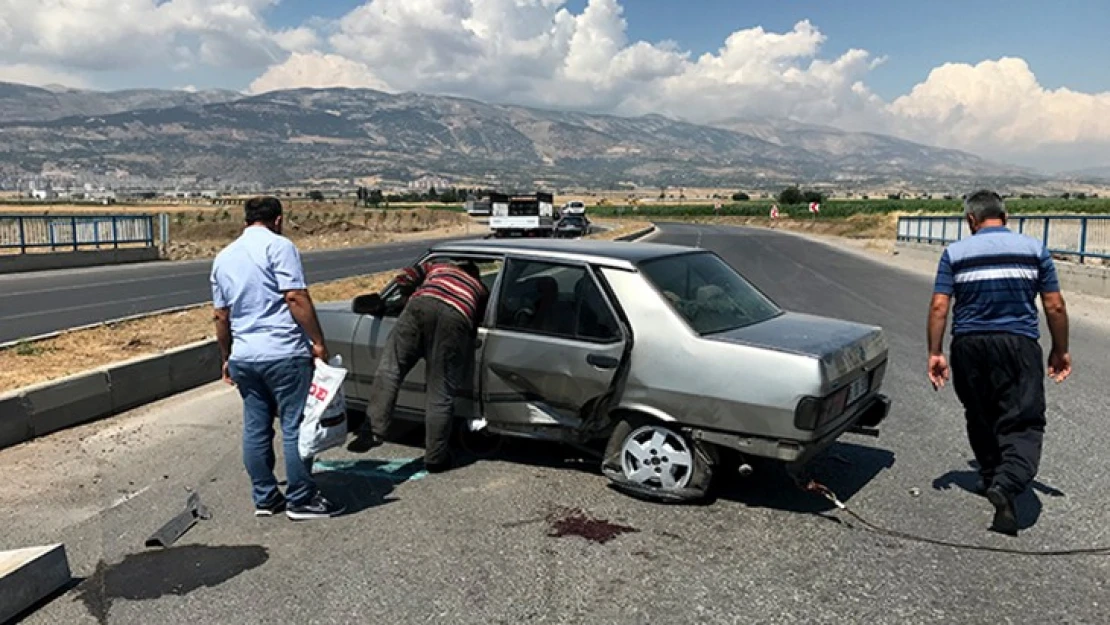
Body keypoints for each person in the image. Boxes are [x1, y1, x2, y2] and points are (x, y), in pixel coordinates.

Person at [926, 189, 1071, 536]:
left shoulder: (955, 252)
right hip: (1018, 343)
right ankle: (1006, 484)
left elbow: (938, 306)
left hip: (968, 344)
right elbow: (1054, 306)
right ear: (1006, 218)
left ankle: (990, 475)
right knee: (1023, 419)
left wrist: (935, 352)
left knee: (980, 413)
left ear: (970, 221)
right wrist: (1060, 349)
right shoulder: (1034, 249)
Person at [211, 196, 345, 521]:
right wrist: (317, 342)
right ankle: (301, 499)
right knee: (295, 425)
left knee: (256, 428)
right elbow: (295, 296)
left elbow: (220, 315)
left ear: (245, 220)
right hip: (283, 352)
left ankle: (266, 498)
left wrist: (227, 357)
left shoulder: (223, 257)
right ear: (279, 219)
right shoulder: (280, 247)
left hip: (245, 356)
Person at [349, 259, 489, 471]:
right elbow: (477, 321)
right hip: (456, 317)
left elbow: (403, 278)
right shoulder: (480, 289)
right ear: (475, 275)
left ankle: (373, 431)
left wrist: (407, 297)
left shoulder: (438, 266)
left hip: (420, 305)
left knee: (390, 370)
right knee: (440, 393)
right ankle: (435, 458)